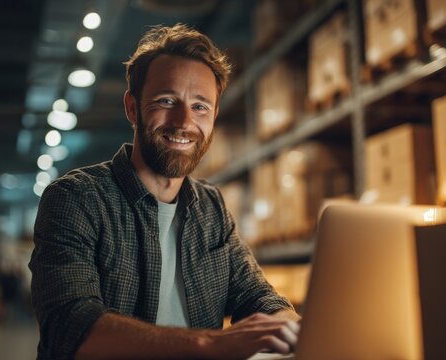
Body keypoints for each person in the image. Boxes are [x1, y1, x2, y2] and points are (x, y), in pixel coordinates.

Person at [29, 23, 300, 360]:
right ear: (132, 107)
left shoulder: (211, 207)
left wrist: (290, 327)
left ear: (214, 115)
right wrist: (212, 345)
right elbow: (70, 325)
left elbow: (256, 296)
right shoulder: (76, 199)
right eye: (166, 101)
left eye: (200, 106)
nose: (184, 121)